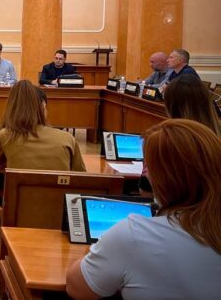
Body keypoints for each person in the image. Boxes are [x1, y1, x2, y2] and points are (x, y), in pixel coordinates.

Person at [66, 119, 221, 300]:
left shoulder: (133, 235)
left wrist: (97, 249)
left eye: (148, 166)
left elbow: (76, 288)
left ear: (165, 177)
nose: (145, 173)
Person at [139, 75, 221, 196]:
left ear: (169, 106)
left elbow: (146, 192)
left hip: (173, 205)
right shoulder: (215, 137)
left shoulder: (161, 139)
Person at [0, 80, 86, 172]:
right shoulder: (67, 139)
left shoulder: (5, 136)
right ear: (43, 106)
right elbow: (81, 176)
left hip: (22, 183)